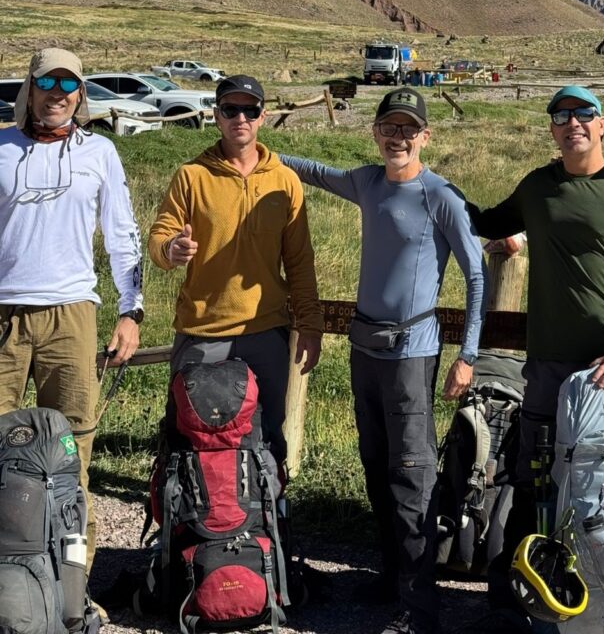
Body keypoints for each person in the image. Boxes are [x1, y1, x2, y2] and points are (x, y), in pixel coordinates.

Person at [468, 86, 604, 615]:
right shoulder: (537, 187)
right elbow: (489, 222)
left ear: (602, 124)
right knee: (533, 472)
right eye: (562, 116)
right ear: (552, 129)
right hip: (549, 363)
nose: (573, 123)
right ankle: (519, 593)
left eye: (584, 114)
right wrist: (432, 187)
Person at [281, 87, 487, 634]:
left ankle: (420, 610)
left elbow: (475, 275)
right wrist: (257, 151)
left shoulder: (440, 196)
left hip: (411, 357)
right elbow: (315, 171)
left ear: (425, 137)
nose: (399, 137)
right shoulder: (367, 182)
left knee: (412, 477)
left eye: (408, 129)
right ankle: (391, 577)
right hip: (365, 349)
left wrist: (467, 355)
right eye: (389, 127)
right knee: (376, 465)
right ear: (375, 133)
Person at [0, 48, 143, 572]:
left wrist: (131, 311)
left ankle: (73, 582)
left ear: (80, 95)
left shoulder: (99, 152)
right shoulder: (2, 147)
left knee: (71, 452)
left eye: (68, 85)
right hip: (5, 313)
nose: (57, 94)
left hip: (72, 314)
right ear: (29, 89)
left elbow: (123, 235)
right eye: (47, 83)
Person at [148, 74, 323, 466]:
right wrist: (170, 249)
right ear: (216, 116)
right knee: (189, 435)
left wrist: (311, 326)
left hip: (267, 331)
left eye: (250, 110)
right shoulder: (192, 176)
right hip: (203, 330)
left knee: (269, 435)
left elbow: (299, 262)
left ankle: (268, 502)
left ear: (263, 116)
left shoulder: (285, 182)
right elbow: (159, 237)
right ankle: (188, 503)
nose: (240, 118)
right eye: (230, 109)